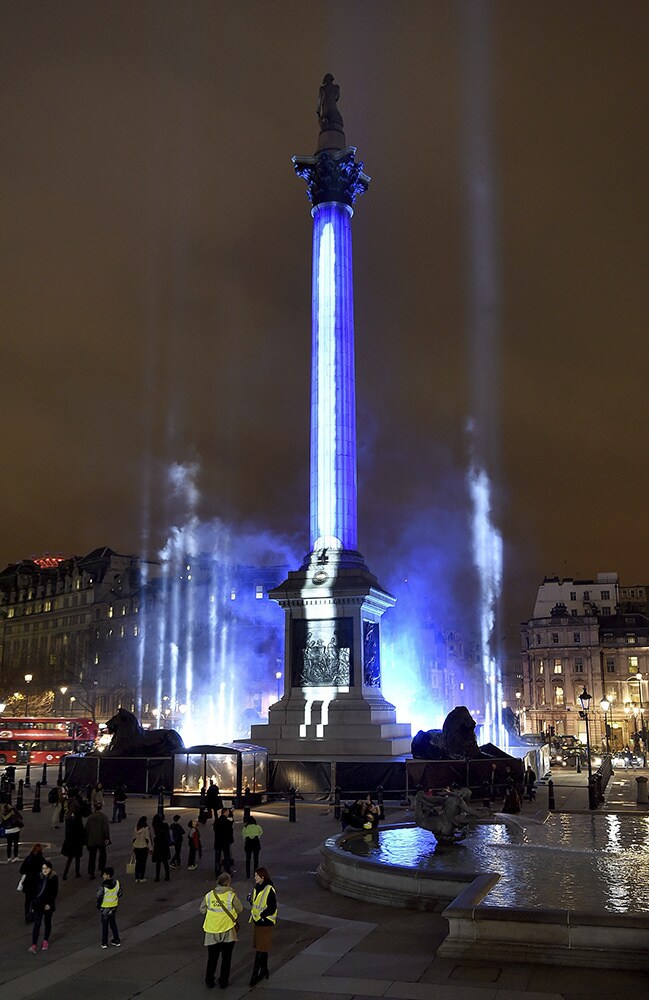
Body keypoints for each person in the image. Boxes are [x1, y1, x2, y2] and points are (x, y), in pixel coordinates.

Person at [199, 872, 243, 989]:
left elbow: (202, 910)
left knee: (212, 958)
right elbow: (239, 909)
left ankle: (209, 980)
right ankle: (224, 981)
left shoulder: (209, 895)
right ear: (228, 883)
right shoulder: (231, 895)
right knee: (226, 958)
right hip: (227, 930)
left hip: (212, 930)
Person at [248, 866, 278, 986]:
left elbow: (272, 907)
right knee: (262, 948)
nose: (254, 878)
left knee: (260, 950)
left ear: (262, 877)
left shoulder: (269, 889)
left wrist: (262, 915)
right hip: (257, 922)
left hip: (265, 923)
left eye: (256, 876)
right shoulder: (257, 888)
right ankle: (264, 970)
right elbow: (256, 903)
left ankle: (254, 975)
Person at [29, 859, 58, 953]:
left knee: (47, 922)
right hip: (38, 904)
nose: (44, 870)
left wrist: (49, 904)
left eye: (46, 868)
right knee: (37, 924)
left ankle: (45, 940)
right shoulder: (39, 877)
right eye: (43, 868)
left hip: (47, 904)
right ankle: (34, 944)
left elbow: (53, 893)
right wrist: (33, 905)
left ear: (50, 869)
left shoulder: (53, 878)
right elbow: (34, 892)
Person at [97, 866, 122, 948]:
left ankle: (104, 942)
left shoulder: (103, 886)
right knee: (113, 924)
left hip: (105, 907)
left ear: (108, 875)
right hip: (114, 906)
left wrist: (98, 906)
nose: (103, 876)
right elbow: (120, 894)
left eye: (104, 874)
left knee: (105, 926)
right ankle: (117, 940)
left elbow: (99, 896)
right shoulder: (117, 883)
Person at [19, 843, 45, 923]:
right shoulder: (41, 860)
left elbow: (21, 870)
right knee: (35, 899)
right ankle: (33, 914)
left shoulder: (28, 859)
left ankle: (27, 914)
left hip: (28, 881)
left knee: (27, 900)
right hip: (36, 882)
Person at [85, 803, 111, 879]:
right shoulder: (103, 817)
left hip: (91, 839)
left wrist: (86, 839)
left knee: (92, 857)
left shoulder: (90, 817)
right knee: (102, 855)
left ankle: (91, 872)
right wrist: (107, 838)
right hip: (100, 839)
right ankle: (102, 870)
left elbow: (87, 829)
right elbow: (105, 829)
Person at [61, 805, 85, 879]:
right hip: (77, 841)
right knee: (77, 858)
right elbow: (82, 831)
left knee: (70, 859)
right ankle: (77, 872)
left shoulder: (70, 821)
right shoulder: (79, 822)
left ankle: (65, 874)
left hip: (71, 841)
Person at [213, 807, 235, 877]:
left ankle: (217, 872)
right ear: (225, 812)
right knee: (226, 856)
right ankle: (227, 870)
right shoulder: (227, 822)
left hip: (218, 841)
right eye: (228, 811)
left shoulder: (217, 821)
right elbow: (230, 831)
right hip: (225, 842)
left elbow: (215, 830)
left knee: (217, 858)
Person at [151, 812, 171, 882]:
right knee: (165, 862)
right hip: (164, 846)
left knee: (158, 863)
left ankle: (157, 877)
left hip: (158, 847)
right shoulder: (165, 826)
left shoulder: (157, 828)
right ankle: (167, 876)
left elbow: (158, 837)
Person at [132, 815, 151, 882]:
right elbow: (147, 839)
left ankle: (137, 877)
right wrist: (150, 848)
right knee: (143, 863)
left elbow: (134, 838)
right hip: (143, 847)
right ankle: (141, 877)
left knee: (138, 862)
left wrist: (133, 847)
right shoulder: (146, 829)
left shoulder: (136, 828)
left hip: (137, 847)